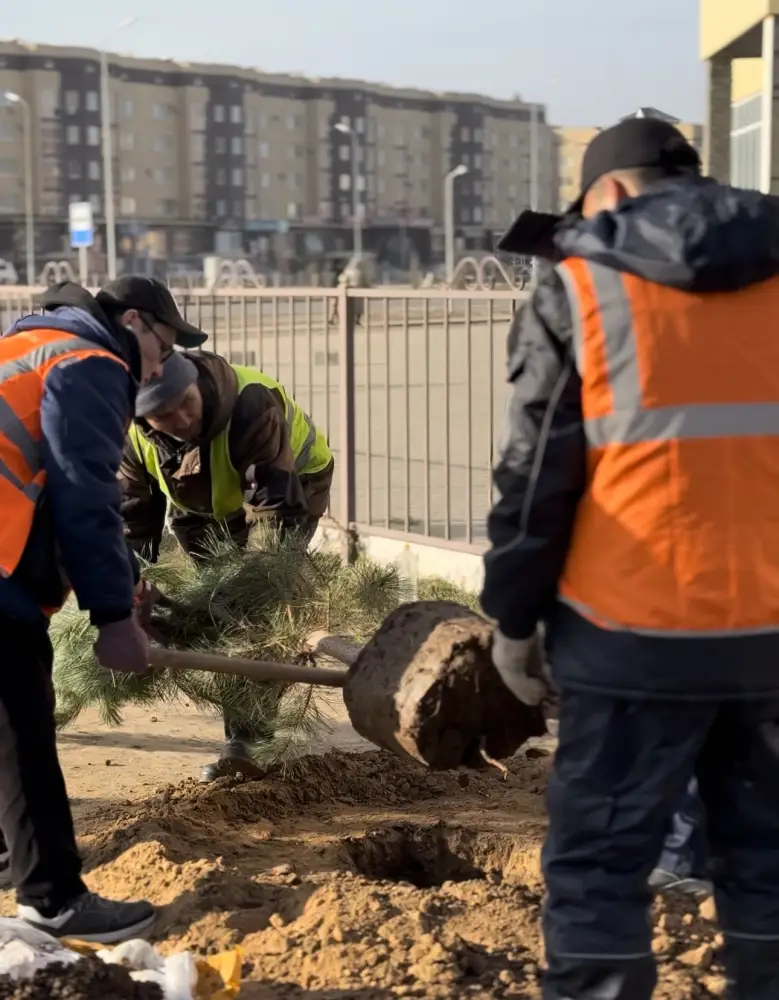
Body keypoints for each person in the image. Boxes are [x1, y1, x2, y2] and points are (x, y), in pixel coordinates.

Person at [482, 115, 779, 1000]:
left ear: (607, 192)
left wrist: (513, 619)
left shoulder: (580, 286)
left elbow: (533, 480)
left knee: (599, 869)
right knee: (768, 864)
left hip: (629, 636)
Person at [0, 276, 207, 943]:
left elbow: (41, 486)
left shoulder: (26, 345)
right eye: (163, 349)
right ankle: (54, 900)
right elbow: (83, 496)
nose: (157, 369)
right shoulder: (90, 361)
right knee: (23, 732)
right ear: (136, 323)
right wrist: (113, 615)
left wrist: (124, 582)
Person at [117, 342, 334, 782]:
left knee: (248, 608)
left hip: (290, 488)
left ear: (194, 383)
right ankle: (243, 715)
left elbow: (272, 516)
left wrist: (252, 591)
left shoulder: (251, 405)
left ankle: (248, 742)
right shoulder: (131, 434)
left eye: (186, 403)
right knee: (212, 603)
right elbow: (133, 522)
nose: (182, 421)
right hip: (202, 503)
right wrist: (130, 593)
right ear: (143, 419)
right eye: (164, 416)